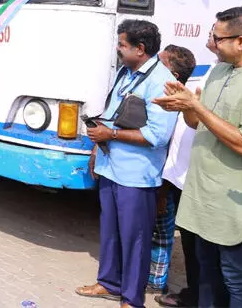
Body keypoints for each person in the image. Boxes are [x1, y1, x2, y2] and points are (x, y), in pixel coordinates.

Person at [155, 6, 242, 307]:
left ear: (241, 41)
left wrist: (196, 106)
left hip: (235, 207)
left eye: (217, 36)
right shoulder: (219, 71)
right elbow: (196, 122)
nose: (212, 41)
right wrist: (183, 105)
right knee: (207, 279)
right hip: (202, 198)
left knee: (238, 284)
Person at [76, 20, 178, 308]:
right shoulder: (126, 71)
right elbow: (113, 112)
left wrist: (112, 134)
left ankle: (131, 299)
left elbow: (158, 135)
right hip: (111, 166)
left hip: (136, 174)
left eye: (122, 45)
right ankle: (108, 283)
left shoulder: (162, 82)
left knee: (135, 238)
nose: (118, 50)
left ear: (140, 49)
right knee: (110, 230)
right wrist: (98, 140)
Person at [154, 35, 219, 308]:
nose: (210, 36)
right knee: (191, 245)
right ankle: (194, 294)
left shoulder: (226, 75)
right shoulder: (213, 70)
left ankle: (205, 298)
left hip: (200, 176)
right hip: (181, 176)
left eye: (215, 33)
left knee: (206, 249)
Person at [145, 45, 197, 297]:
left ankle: (156, 281)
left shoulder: (178, 108)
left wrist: (163, 191)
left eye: (161, 62)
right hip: (166, 179)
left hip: (171, 181)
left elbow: (171, 151)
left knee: (162, 232)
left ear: (174, 76)